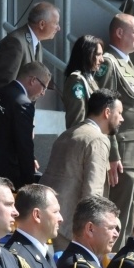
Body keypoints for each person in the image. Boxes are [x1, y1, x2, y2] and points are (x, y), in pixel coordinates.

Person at [95, 13, 134, 251]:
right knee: (117, 216)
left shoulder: (126, 62)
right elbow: (104, 113)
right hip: (123, 154)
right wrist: (112, 153)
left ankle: (123, 258)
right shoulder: (109, 62)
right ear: (119, 33)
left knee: (131, 218)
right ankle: (110, 260)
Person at [43, 89, 123, 251]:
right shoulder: (98, 140)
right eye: (119, 113)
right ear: (107, 112)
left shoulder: (67, 134)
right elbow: (93, 194)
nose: (122, 119)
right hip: (73, 232)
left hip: (51, 220)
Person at [0, 62, 51, 190]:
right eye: (44, 87)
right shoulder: (23, 103)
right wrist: (29, 182)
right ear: (33, 80)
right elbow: (24, 145)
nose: (43, 93)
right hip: (8, 175)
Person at [0, 2, 60, 90]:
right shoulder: (15, 42)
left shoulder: (37, 44)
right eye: (56, 23)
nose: (58, 28)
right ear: (42, 24)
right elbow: (3, 84)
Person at [62, 35, 105, 128]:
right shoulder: (77, 80)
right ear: (87, 55)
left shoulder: (89, 79)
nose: (102, 60)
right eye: (98, 54)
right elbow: (77, 121)